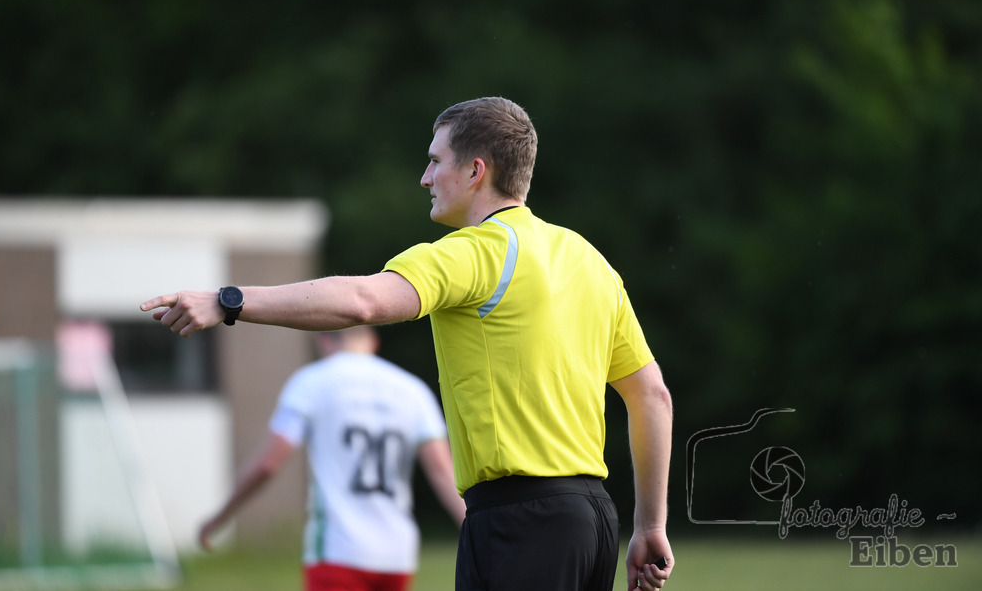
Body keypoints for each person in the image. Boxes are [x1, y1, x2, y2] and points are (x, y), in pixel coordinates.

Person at [142, 96, 674, 591]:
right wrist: (650, 523)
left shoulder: (475, 252)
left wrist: (230, 301)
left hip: (521, 521)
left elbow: (362, 303)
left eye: (435, 161)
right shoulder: (589, 261)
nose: (424, 178)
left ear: (474, 171)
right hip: (593, 518)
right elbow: (651, 395)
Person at [197, 325, 465, 591]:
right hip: (397, 555)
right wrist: (473, 531)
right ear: (372, 341)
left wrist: (221, 517)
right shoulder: (412, 389)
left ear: (323, 341)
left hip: (338, 549)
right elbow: (442, 470)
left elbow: (268, 463)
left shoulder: (311, 382)